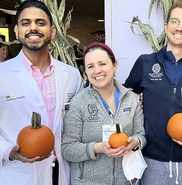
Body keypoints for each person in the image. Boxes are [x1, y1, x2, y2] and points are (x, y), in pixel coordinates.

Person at [0, 0, 83, 185]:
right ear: (17, 31)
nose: (33, 28)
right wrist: (7, 151)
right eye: (26, 23)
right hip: (17, 175)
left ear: (52, 32)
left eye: (40, 22)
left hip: (62, 172)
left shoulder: (71, 75)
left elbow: (80, 120)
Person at [124, 0, 182, 184]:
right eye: (175, 21)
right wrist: (133, 100)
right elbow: (127, 96)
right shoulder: (145, 63)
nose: (180, 28)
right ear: (166, 26)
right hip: (152, 162)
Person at [61, 42, 146, 184]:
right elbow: (68, 149)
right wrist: (98, 148)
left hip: (125, 181)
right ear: (86, 72)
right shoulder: (78, 102)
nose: (97, 70)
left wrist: (135, 142)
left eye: (102, 64)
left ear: (115, 66)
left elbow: (141, 135)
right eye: (90, 66)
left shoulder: (131, 100)